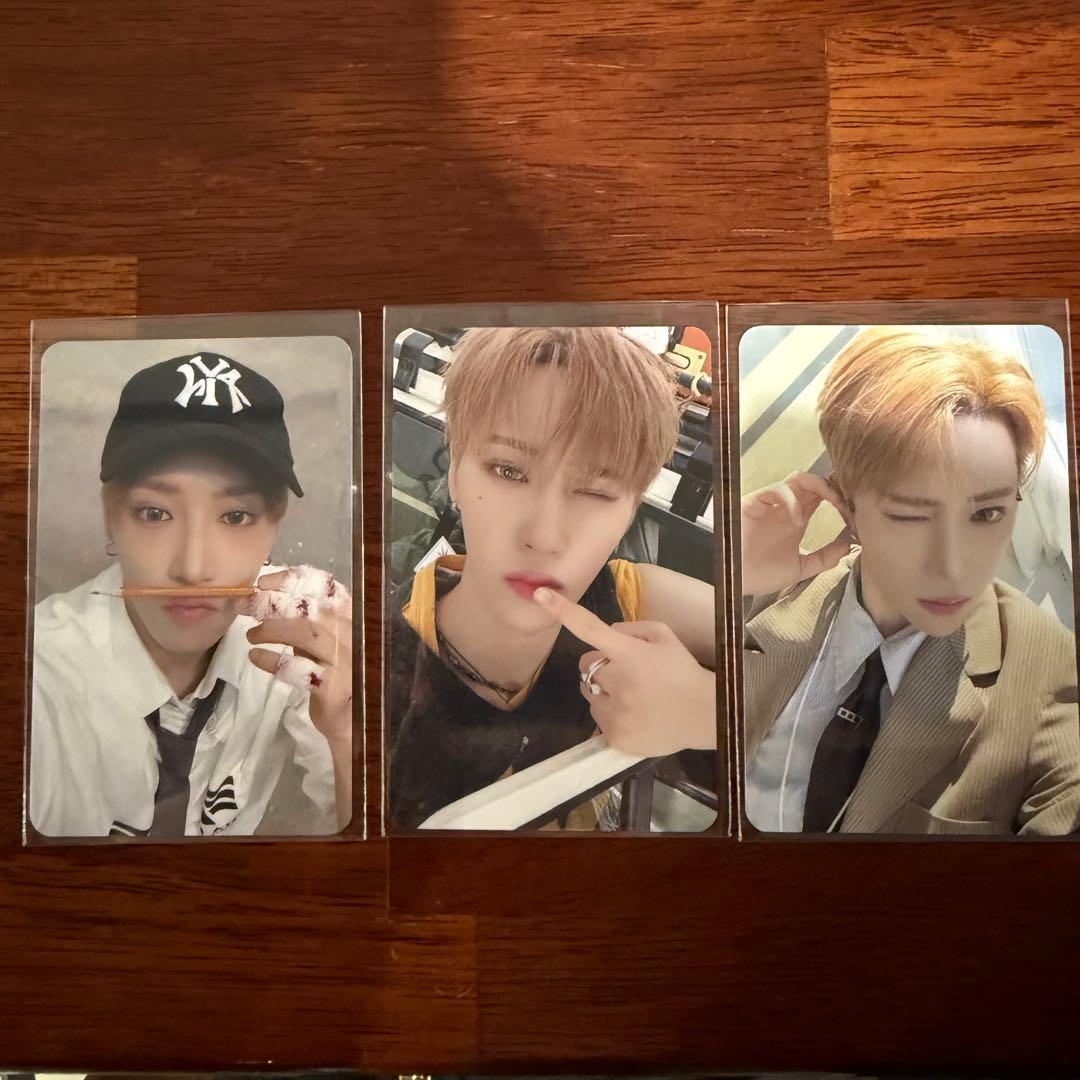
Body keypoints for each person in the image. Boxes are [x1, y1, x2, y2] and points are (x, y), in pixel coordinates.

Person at [742, 326, 1080, 835]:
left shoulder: (1049, 674)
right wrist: (733, 572)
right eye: (912, 516)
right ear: (846, 504)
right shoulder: (766, 597)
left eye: (987, 514)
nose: (954, 566)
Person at [388, 326, 719, 831]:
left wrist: (707, 712)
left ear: (632, 509)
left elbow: (796, 672)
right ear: (455, 470)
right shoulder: (368, 665)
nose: (544, 537)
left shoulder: (631, 601)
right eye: (508, 471)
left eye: (595, 491)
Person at [30, 352, 352, 838]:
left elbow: (355, 834)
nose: (193, 569)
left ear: (275, 523)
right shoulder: (38, 672)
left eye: (236, 516)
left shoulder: (293, 639)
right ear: (111, 514)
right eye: (155, 513)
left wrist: (347, 732)